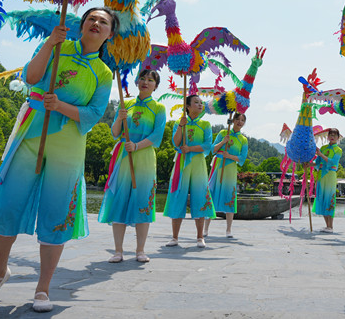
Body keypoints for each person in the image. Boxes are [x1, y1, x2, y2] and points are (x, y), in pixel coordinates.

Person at [0, 7, 118, 312]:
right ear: (81, 25)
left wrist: (62, 106)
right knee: (7, 203)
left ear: (109, 34)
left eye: (103, 22)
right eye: (91, 19)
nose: (96, 23)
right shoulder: (59, 44)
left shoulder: (104, 73)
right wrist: (49, 43)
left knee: (56, 211)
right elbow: (30, 77)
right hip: (32, 132)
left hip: (68, 143)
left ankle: (43, 289)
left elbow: (93, 115)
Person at [98, 69, 166, 263]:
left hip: (144, 158)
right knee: (119, 200)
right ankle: (118, 250)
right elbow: (115, 133)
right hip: (123, 157)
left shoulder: (158, 108)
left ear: (155, 86)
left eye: (150, 80)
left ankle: (140, 250)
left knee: (143, 202)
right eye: (142, 78)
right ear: (137, 82)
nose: (145, 82)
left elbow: (156, 136)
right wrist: (119, 118)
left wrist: (136, 146)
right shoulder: (126, 102)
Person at [163, 94, 215, 247]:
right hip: (182, 163)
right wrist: (180, 125)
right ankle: (174, 237)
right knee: (178, 195)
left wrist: (190, 148)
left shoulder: (205, 124)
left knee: (200, 196)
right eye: (196, 102)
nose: (200, 105)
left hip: (198, 163)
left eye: (201, 103)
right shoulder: (180, 123)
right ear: (187, 106)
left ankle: (200, 237)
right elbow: (175, 142)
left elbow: (207, 145)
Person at [204, 113, 249, 238]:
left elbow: (242, 158)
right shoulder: (223, 133)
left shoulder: (243, 140)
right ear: (232, 120)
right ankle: (205, 229)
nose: (240, 122)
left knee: (230, 196)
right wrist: (223, 142)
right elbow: (212, 149)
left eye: (242, 120)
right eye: (238, 119)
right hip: (217, 167)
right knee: (211, 196)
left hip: (230, 169)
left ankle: (228, 230)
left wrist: (229, 156)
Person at [314, 128, 342, 233]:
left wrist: (320, 154)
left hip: (330, 175)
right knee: (322, 199)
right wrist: (308, 164)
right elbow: (317, 163)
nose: (332, 136)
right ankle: (327, 226)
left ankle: (331, 226)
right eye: (330, 134)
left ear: (338, 137)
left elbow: (332, 162)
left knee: (330, 199)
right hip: (321, 175)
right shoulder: (323, 148)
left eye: (335, 135)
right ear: (328, 136)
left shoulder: (338, 150)